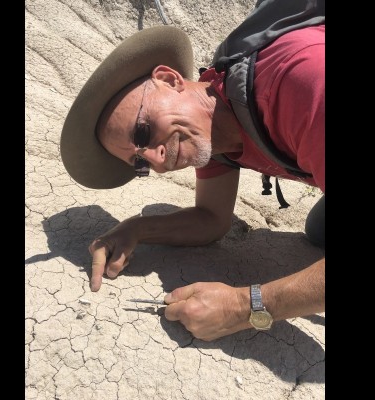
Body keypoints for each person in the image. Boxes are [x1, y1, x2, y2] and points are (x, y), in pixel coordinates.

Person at [60, 0, 324, 341]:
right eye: (139, 163)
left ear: (169, 79)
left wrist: (245, 306)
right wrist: (136, 229)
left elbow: (244, 304)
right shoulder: (217, 132)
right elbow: (211, 219)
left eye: (143, 132)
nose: (155, 159)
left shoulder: (300, 84)